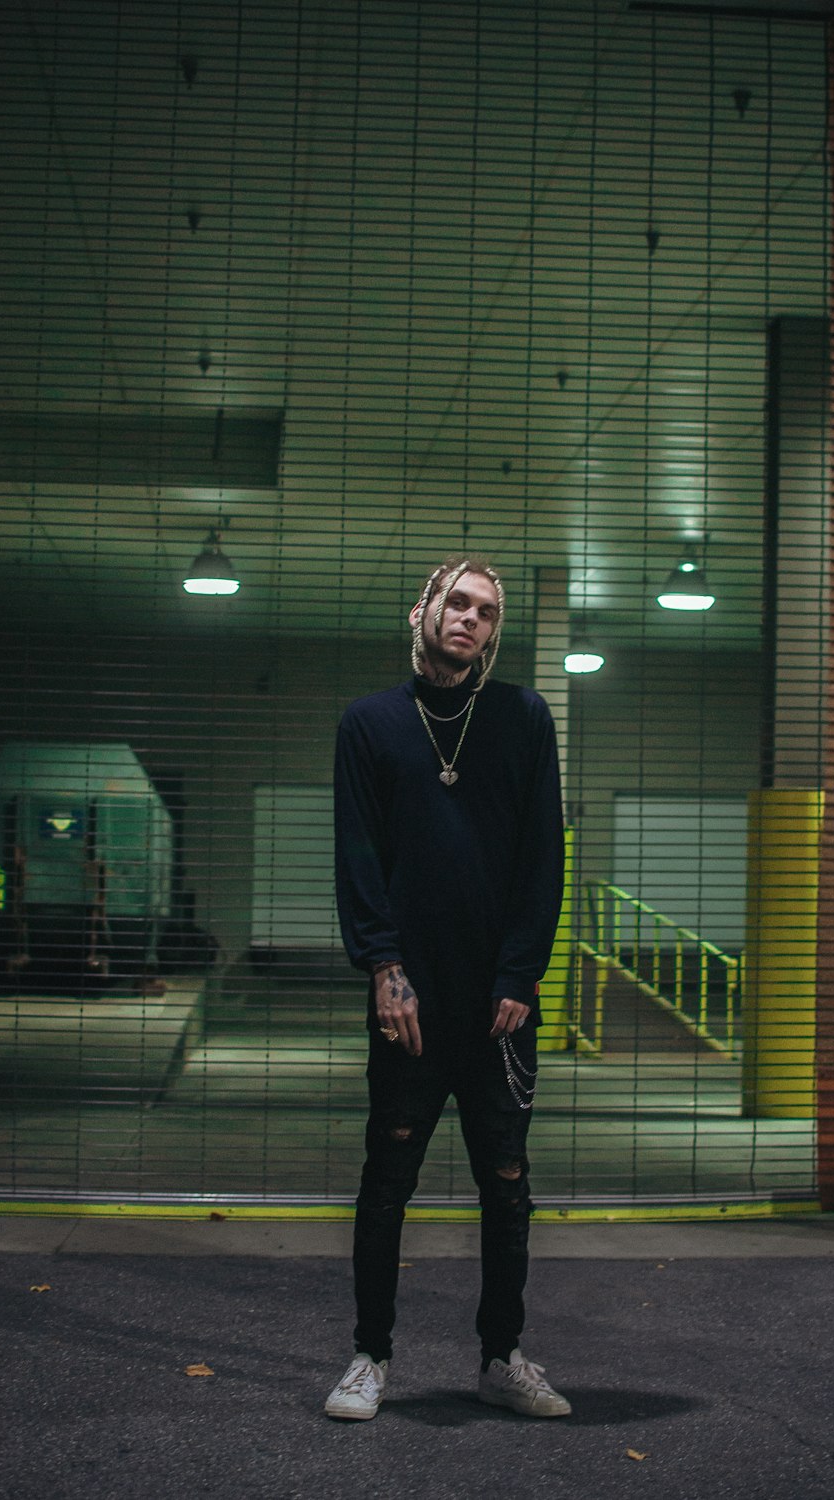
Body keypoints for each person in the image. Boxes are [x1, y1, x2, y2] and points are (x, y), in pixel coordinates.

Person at [325, 554, 570, 1422]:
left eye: (487, 612)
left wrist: (520, 972)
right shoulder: (370, 724)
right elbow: (359, 857)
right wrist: (384, 968)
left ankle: (501, 1357)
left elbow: (545, 856)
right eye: (457, 603)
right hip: (411, 1007)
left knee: (506, 1183)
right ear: (425, 608)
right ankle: (370, 1356)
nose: (470, 619)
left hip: (498, 1005)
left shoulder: (522, 718)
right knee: (387, 1178)